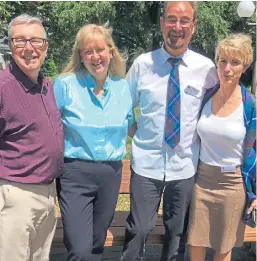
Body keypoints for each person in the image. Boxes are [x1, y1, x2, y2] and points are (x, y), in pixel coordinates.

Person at [120, 2, 219, 261]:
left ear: (194, 26)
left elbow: (217, 112)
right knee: (139, 230)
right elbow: (124, 107)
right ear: (162, 22)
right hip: (146, 165)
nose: (177, 27)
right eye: (172, 19)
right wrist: (137, 134)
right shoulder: (143, 64)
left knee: (178, 233)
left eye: (184, 20)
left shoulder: (207, 69)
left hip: (185, 166)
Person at [53, 24, 134, 261]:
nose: (95, 56)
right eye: (88, 51)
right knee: (79, 249)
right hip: (74, 173)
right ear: (80, 55)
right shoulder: (65, 84)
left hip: (110, 174)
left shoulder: (122, 87)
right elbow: (50, 127)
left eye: (100, 49)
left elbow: (131, 126)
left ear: (111, 52)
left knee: (97, 246)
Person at [187, 33, 256, 261]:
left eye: (235, 62)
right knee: (196, 244)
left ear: (244, 67)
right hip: (203, 180)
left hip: (233, 184)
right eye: (223, 61)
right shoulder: (205, 97)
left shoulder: (250, 106)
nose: (227, 68)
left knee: (223, 248)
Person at [0, 14, 63, 261]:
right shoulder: (3, 88)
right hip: (16, 197)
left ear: (45, 47)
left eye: (36, 41)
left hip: (48, 195)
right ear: (10, 45)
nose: (29, 49)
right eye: (20, 41)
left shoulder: (46, 87)